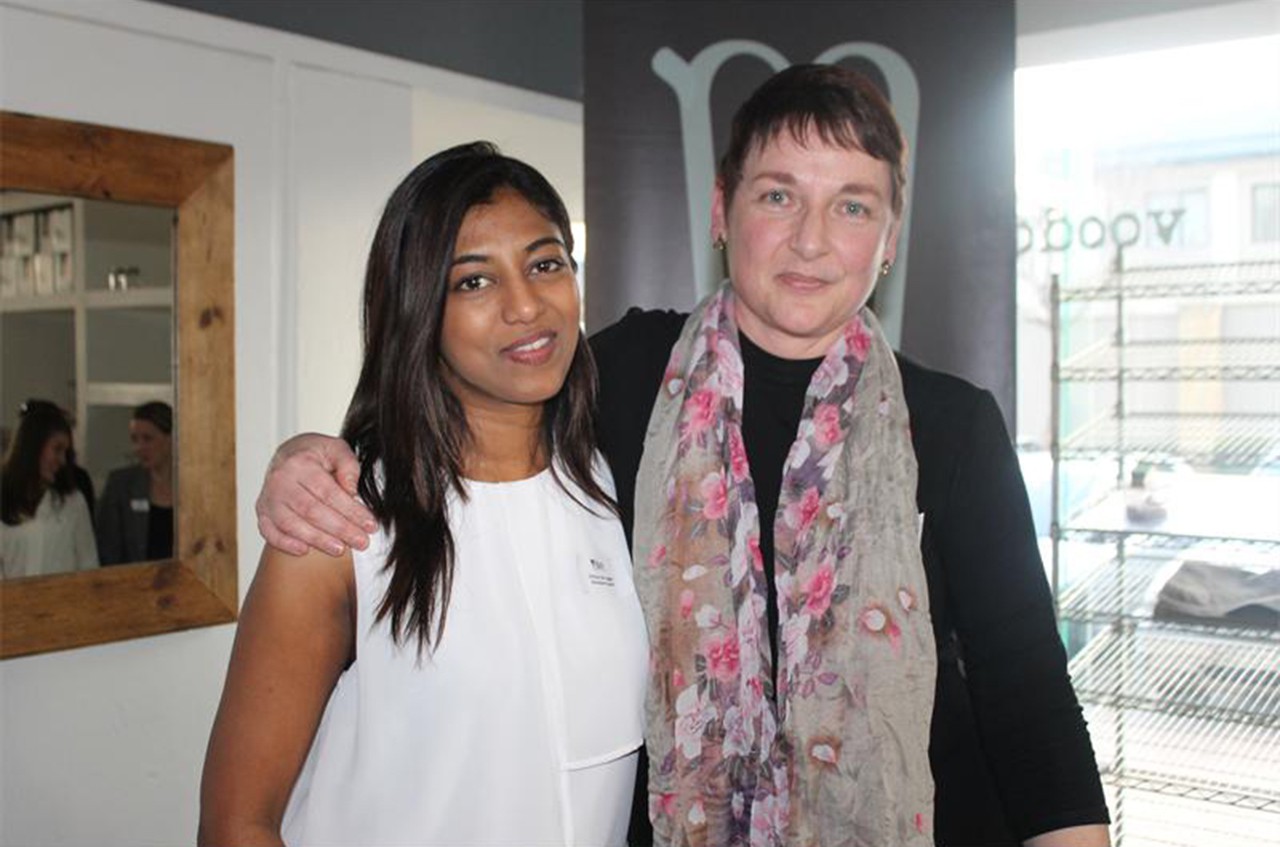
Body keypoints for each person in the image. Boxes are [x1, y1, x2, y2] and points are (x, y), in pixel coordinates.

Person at [253, 66, 1111, 846]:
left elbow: (1026, 688)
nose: (811, 240)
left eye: (853, 205)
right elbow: (461, 401)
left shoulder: (952, 426)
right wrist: (314, 456)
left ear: (888, 237)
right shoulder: (621, 380)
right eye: (779, 196)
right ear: (720, 210)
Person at [199, 143, 648, 846]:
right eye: (473, 282)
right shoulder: (342, 525)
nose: (526, 305)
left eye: (545, 263)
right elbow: (236, 824)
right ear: (417, 307)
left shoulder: (619, 488)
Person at [1, 400, 99, 577]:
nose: (62, 460)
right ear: (33, 447)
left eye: (65, 452)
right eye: (57, 449)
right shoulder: (4, 498)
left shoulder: (73, 503)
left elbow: (89, 567)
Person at [96, 401, 174, 564]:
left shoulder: (193, 486)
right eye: (134, 439)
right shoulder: (120, 485)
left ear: (170, 438)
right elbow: (108, 551)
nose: (139, 447)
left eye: (148, 439)